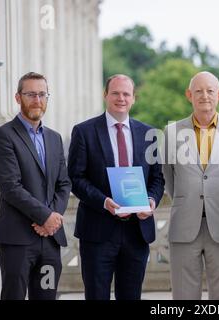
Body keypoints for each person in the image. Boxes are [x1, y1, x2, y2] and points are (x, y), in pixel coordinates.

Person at [68, 74, 164, 300]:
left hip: (136, 232)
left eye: (126, 94)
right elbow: (76, 178)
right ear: (105, 96)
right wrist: (104, 202)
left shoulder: (148, 134)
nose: (121, 98)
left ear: (133, 99)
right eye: (115, 93)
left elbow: (157, 179)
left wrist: (151, 201)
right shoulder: (84, 131)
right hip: (97, 231)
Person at [162, 71, 219, 300]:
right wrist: (188, 199)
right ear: (189, 95)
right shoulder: (172, 132)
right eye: (198, 91)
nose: (204, 96)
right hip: (184, 223)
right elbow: (169, 177)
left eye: (210, 91)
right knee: (183, 296)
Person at [0, 72, 71, 300]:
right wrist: (46, 217)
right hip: (17, 240)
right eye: (31, 94)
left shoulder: (54, 139)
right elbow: (10, 186)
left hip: (50, 241)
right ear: (18, 98)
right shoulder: (3, 135)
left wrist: (53, 219)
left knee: (47, 297)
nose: (37, 100)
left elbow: (64, 183)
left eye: (42, 94)